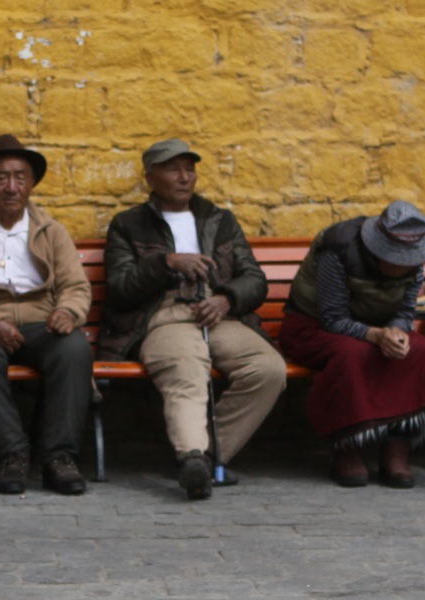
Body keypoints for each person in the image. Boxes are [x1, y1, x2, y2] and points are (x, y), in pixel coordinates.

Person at [99, 139, 285, 501]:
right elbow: (120, 289)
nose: (185, 178)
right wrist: (165, 263)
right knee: (187, 369)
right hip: (164, 316)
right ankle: (192, 455)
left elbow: (254, 278)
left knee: (268, 369)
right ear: (150, 178)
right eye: (173, 170)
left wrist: (227, 299)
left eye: (190, 169)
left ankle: (206, 457)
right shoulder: (128, 224)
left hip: (218, 314)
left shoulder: (220, 220)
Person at [0, 135, 93, 496]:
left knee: (74, 349)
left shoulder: (51, 229)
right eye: (2, 178)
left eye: (20, 178)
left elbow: (75, 285)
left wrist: (67, 311)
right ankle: (12, 455)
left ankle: (59, 458)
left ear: (31, 184)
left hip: (40, 321)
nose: (12, 187)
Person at [280, 201, 425, 489]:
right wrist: (376, 336)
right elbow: (333, 319)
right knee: (353, 352)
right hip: (312, 326)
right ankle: (348, 446)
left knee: (416, 349)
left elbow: (406, 311)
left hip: (375, 326)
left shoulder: (415, 259)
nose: (408, 263)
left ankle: (396, 449)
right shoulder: (339, 248)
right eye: (399, 257)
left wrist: (396, 331)